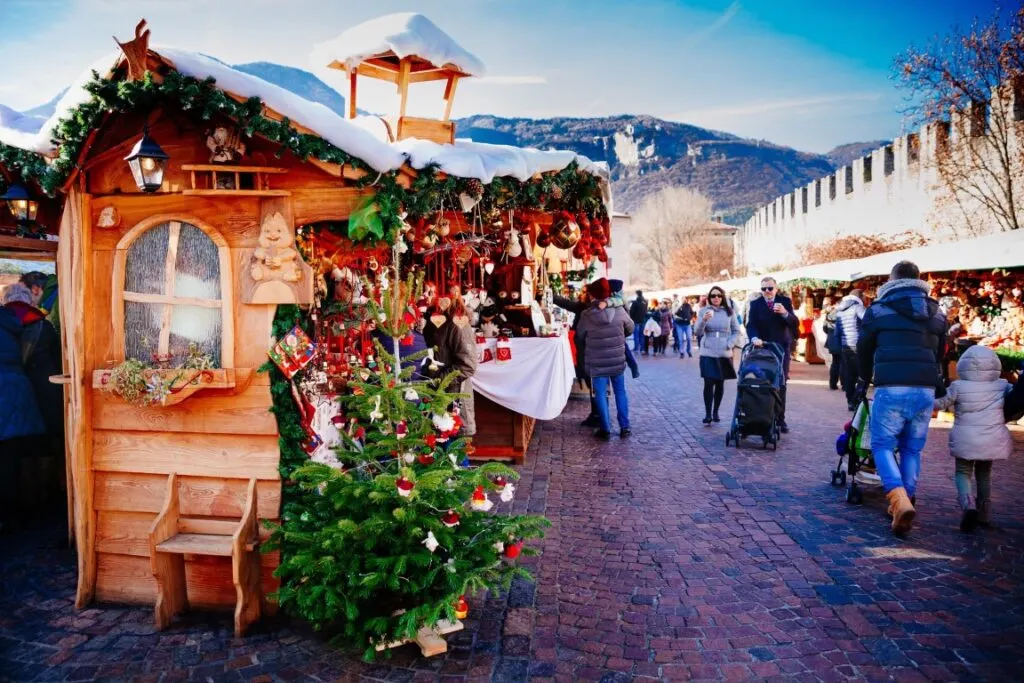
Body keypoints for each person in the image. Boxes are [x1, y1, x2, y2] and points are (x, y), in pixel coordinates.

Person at [857, 260, 947, 535]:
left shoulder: (878, 310)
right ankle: (907, 497)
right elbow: (941, 351)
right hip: (924, 389)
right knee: (912, 448)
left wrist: (864, 376)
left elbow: (863, 348)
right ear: (919, 280)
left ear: (891, 280)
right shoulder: (936, 313)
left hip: (891, 385)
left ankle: (898, 500)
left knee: (883, 445)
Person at [933, 345, 1013, 532]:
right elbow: (1015, 399)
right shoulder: (1002, 385)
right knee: (984, 475)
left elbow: (940, 403)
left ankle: (968, 505)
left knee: (963, 472)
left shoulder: (958, 387)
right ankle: (984, 514)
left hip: (965, 437)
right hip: (991, 438)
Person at [0, 288, 47, 532]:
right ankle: (17, 514)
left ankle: (9, 517)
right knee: (11, 457)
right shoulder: (16, 324)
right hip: (18, 390)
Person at [576, 278, 633, 440]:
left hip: (596, 361)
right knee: (620, 392)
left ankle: (605, 428)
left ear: (593, 295)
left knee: (600, 394)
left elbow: (581, 334)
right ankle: (625, 427)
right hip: (617, 359)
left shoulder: (587, 315)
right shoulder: (620, 310)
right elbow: (630, 328)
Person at [745, 276, 798, 433]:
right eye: (764, 289)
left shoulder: (785, 302)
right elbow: (751, 325)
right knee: (762, 379)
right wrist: (754, 338)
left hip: (781, 347)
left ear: (776, 288)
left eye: (770, 288)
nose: (767, 291)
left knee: (781, 382)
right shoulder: (755, 304)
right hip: (762, 347)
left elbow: (794, 323)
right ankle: (762, 416)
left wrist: (784, 313)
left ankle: (780, 419)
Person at [554, 287, 601, 426]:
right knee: (596, 385)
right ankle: (597, 414)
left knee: (593, 384)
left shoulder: (585, 309)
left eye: (586, 292)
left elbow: (568, 305)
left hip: (588, 352)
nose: (582, 294)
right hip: (598, 353)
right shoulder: (602, 308)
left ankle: (598, 416)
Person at [694, 286, 739, 424]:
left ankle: (716, 411)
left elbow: (736, 330)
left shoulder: (729, 312)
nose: (716, 298)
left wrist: (730, 344)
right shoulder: (703, 311)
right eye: (713, 296)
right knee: (708, 382)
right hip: (708, 351)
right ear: (709, 298)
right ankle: (708, 413)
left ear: (723, 297)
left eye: (719, 295)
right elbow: (697, 332)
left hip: (724, 352)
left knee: (720, 383)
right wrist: (704, 320)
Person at [835, 289, 866, 411]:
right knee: (863, 375)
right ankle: (857, 399)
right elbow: (867, 320)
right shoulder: (858, 307)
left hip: (845, 346)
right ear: (859, 297)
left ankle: (850, 401)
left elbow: (837, 332)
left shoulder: (840, 311)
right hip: (858, 345)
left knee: (849, 375)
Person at [607, 279, 639, 379]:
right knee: (624, 347)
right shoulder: (622, 299)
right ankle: (633, 365)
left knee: (622, 347)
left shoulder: (616, 300)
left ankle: (633, 366)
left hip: (617, 328)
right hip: (621, 329)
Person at [628, 289, 647, 354]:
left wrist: (631, 318)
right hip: (643, 320)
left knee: (636, 335)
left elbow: (631, 312)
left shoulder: (635, 302)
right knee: (642, 335)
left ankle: (636, 348)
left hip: (636, 321)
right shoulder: (645, 302)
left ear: (637, 294)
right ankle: (642, 349)